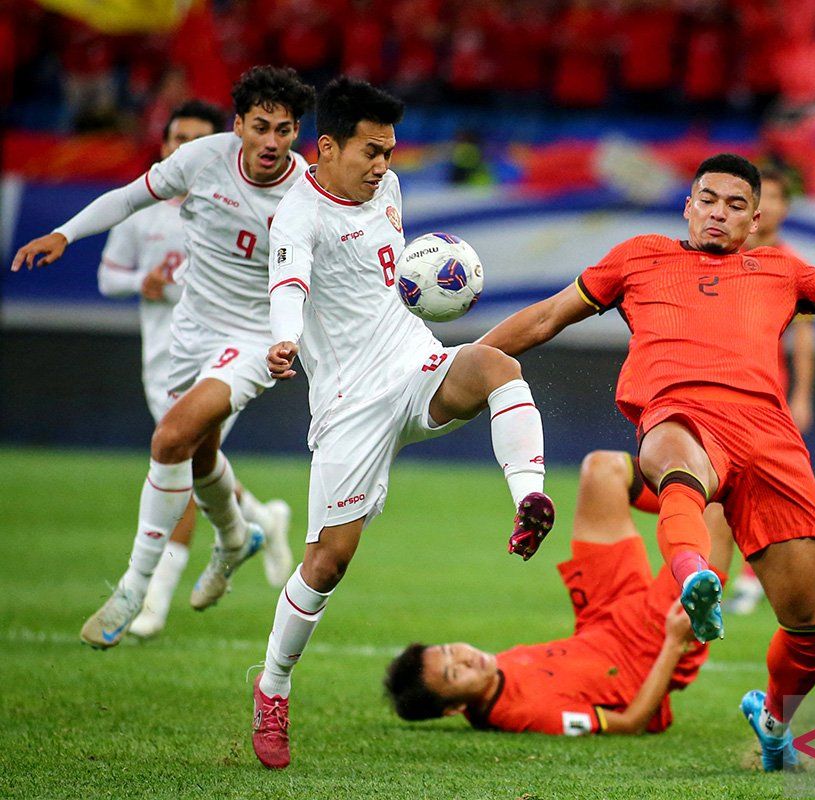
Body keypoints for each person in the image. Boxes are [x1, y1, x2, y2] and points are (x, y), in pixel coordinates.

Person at [476, 153, 815, 770]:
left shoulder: (780, 269)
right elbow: (547, 316)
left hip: (769, 438)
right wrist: (463, 361)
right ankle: (694, 578)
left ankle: (775, 725)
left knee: (809, 621)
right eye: (708, 199)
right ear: (687, 204)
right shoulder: (638, 256)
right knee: (676, 466)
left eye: (736, 205)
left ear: (756, 220)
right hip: (679, 412)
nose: (719, 213)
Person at [252, 76, 555, 770]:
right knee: (328, 561)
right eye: (370, 151)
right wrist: (284, 339)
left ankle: (527, 500)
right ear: (326, 149)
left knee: (495, 366)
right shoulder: (298, 217)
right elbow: (289, 284)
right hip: (349, 406)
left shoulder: (385, 189)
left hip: (416, 365)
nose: (384, 165)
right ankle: (272, 689)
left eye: (389, 151)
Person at [11, 66, 316, 649]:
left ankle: (134, 586)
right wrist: (64, 234)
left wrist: (288, 338)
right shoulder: (201, 158)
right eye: (260, 127)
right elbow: (128, 198)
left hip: (254, 338)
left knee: (169, 438)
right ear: (239, 127)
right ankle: (237, 538)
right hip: (192, 331)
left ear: (297, 131)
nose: (271, 142)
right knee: (200, 455)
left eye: (283, 129)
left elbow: (303, 278)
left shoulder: (308, 193)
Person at [384, 451, 815, 737]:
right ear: (454, 709)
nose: (466, 658)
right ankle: (799, 537)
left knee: (602, 471)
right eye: (454, 673)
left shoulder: (488, 674)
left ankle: (716, 504)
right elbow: (631, 721)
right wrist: (673, 640)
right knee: (723, 508)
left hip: (602, 616)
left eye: (451, 650)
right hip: (649, 645)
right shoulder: (519, 715)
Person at [95, 99, 296, 639]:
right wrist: (141, 283)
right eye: (175, 138)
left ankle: (148, 600)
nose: (184, 148)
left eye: (194, 139)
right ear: (163, 146)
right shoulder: (147, 215)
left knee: (176, 451)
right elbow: (109, 276)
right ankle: (257, 524)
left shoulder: (242, 200)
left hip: (232, 353)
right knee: (199, 457)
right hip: (167, 355)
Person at [726, 165, 815, 616]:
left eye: (781, 198)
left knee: (760, 486)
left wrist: (801, 395)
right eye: (767, 198)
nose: (772, 207)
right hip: (722, 389)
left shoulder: (792, 266)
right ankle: (715, 573)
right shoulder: (724, 252)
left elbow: (802, 338)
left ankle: (748, 577)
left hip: (769, 392)